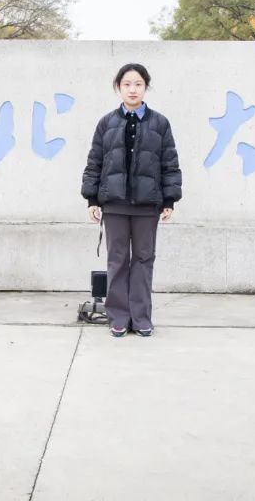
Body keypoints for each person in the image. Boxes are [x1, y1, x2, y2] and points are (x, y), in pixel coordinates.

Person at [81, 63, 182, 337]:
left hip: (147, 206)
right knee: (116, 260)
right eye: (127, 84)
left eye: (138, 84)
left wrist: (169, 200)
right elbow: (95, 162)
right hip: (114, 205)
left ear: (145, 87)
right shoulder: (106, 123)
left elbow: (169, 163)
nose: (132, 89)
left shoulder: (160, 123)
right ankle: (118, 317)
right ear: (118, 88)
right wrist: (92, 199)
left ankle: (141, 317)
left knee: (143, 260)